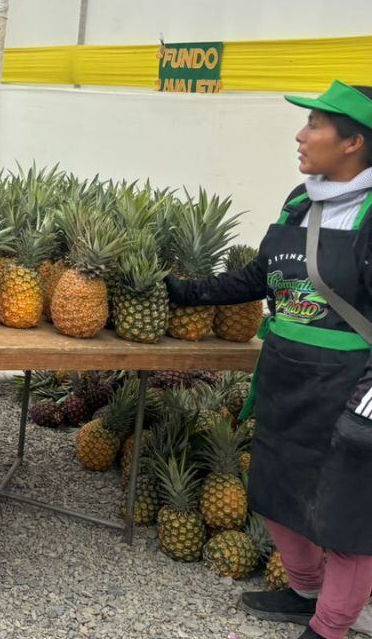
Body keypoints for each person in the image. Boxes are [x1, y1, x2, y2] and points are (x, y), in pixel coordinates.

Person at [167, 81, 372, 639]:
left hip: (348, 389)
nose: (300, 136)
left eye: (315, 126)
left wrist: (365, 407)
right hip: (285, 377)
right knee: (276, 495)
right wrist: (186, 292)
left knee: (347, 520)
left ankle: (329, 627)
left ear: (353, 142)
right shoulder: (301, 201)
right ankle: (304, 592)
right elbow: (263, 276)